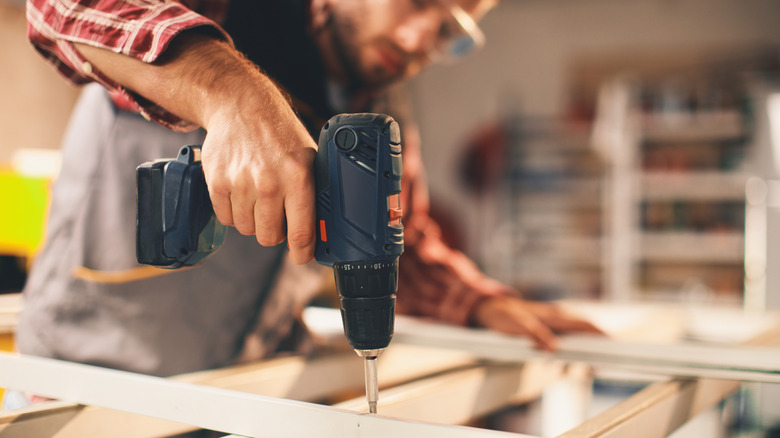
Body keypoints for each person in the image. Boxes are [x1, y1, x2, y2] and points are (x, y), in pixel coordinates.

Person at [17, 0, 602, 383]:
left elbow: (402, 243)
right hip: (90, 382)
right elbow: (60, 7)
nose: (421, 35)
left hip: (245, 388)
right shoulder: (222, 9)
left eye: (451, 30)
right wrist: (231, 94)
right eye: (418, 0)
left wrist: (482, 304)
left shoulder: (378, 107)